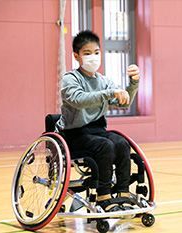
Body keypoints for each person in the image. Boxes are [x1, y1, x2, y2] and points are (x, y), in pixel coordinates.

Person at [56, 30, 140, 212]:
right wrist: (110, 93)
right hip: (74, 133)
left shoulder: (104, 81)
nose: (93, 57)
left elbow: (123, 102)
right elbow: (79, 100)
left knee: (122, 143)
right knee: (105, 146)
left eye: (96, 53)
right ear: (76, 56)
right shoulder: (70, 79)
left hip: (97, 131)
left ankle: (123, 193)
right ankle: (104, 195)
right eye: (87, 53)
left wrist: (133, 83)